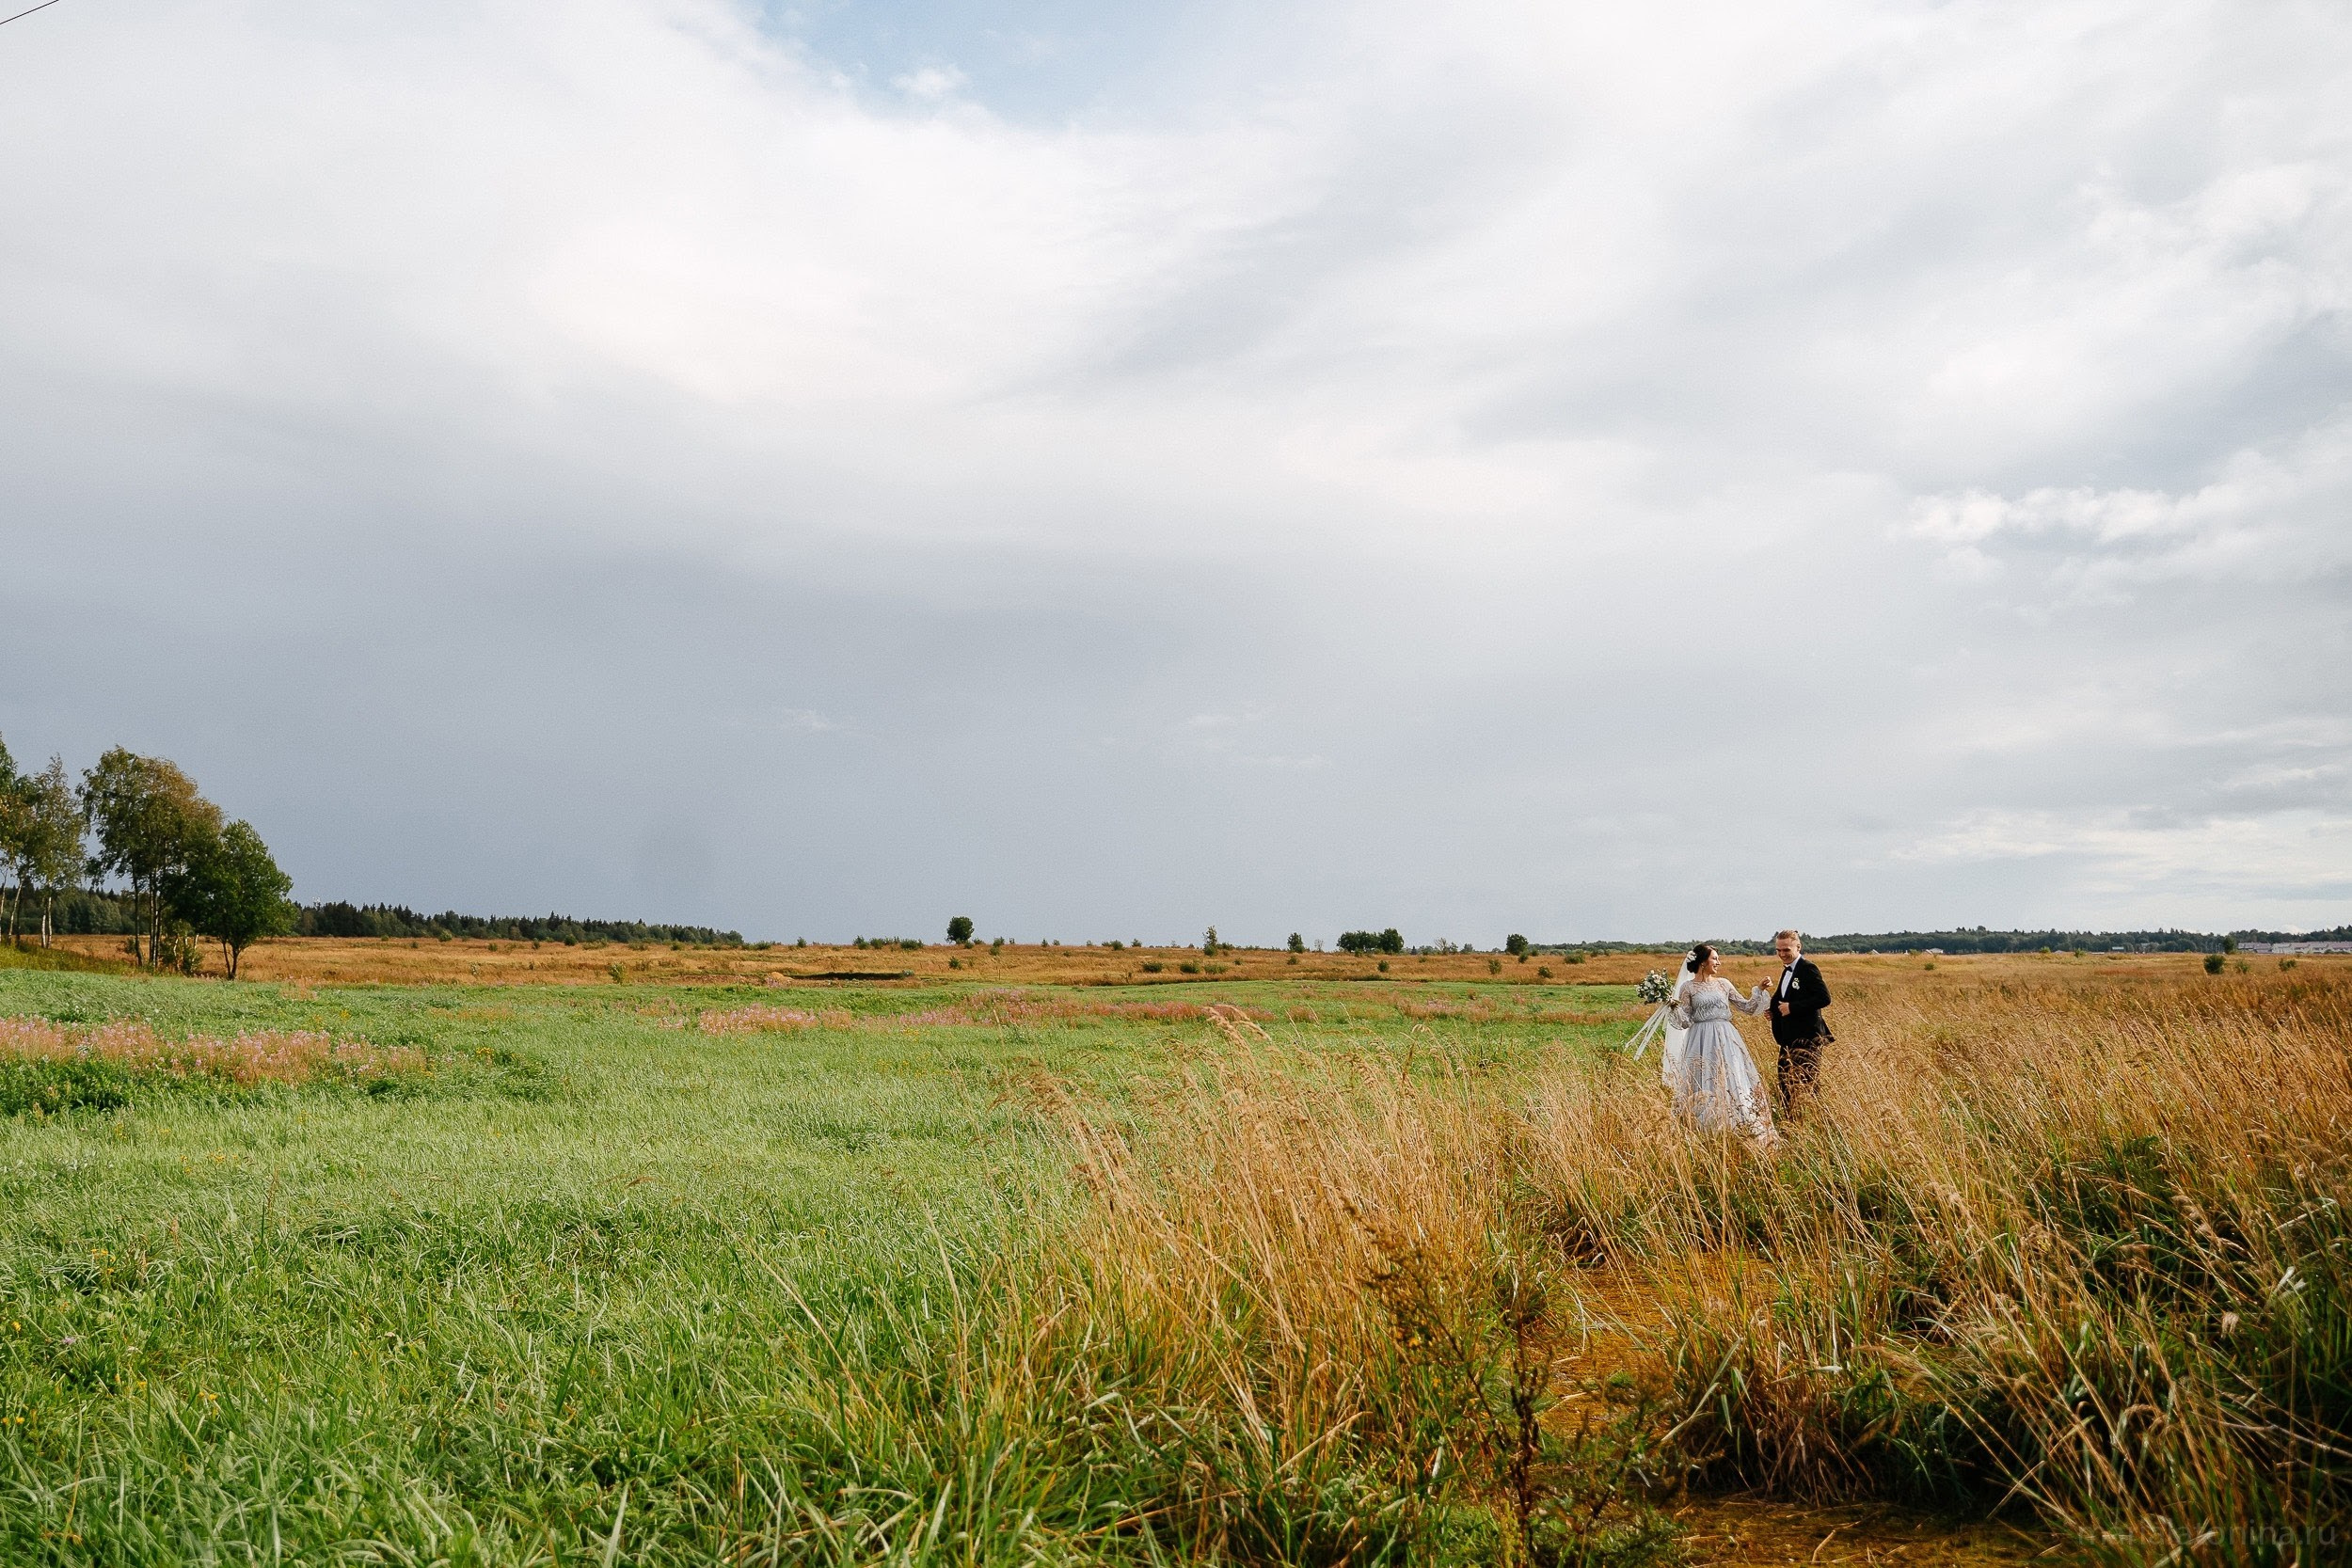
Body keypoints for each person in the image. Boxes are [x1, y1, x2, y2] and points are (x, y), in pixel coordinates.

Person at [1662, 942, 1777, 1142]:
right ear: (1702, 962)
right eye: (1715, 958)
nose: (1719, 962)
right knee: (1702, 1078)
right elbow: (1685, 1021)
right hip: (1699, 1038)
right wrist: (1672, 1007)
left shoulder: (1723, 984)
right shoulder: (1688, 987)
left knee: (1732, 1075)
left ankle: (1739, 1125)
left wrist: (1759, 989)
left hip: (1726, 1037)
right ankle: (1704, 1128)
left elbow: (1747, 1007)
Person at [1766, 928, 1833, 1118]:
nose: (1782, 954)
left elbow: (1824, 998)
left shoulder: (1808, 968)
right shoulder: (1787, 970)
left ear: (1798, 947)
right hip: (1788, 1038)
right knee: (1785, 1083)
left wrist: (1792, 1007)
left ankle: (1820, 1121)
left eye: (1786, 950)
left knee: (1808, 1083)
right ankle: (1791, 1123)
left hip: (1807, 1038)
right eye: (1778, 950)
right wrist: (1773, 1012)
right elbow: (1782, 998)